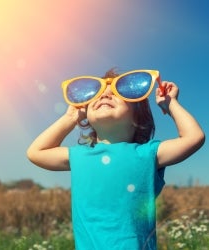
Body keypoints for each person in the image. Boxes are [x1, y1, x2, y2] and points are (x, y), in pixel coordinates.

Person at [27, 69, 205, 250]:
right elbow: (36, 152)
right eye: (96, 94)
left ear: (138, 115)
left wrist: (170, 103)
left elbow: (193, 137)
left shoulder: (147, 153)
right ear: (85, 114)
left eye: (117, 93)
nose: (105, 94)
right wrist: (69, 118)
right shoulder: (79, 155)